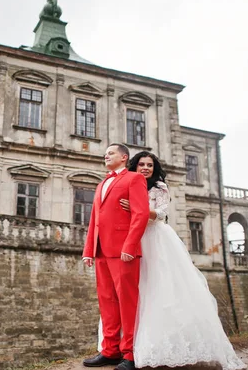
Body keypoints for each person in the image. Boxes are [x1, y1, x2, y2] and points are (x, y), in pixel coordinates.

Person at [105, 151, 246, 370]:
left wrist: (141, 211)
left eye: (149, 165)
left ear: (154, 168)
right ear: (133, 166)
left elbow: (161, 214)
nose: (145, 168)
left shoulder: (159, 187)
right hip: (129, 237)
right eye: (141, 164)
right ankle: (126, 346)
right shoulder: (125, 182)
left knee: (158, 289)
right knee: (130, 292)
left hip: (153, 238)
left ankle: (155, 346)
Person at [82, 144, 150, 370]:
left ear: (123, 157)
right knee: (107, 302)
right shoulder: (101, 183)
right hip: (101, 250)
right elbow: (95, 219)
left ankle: (129, 355)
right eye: (105, 153)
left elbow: (140, 214)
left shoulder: (134, 179)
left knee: (127, 303)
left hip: (124, 252)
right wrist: (89, 250)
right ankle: (110, 350)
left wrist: (130, 246)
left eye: (110, 153)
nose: (106, 155)